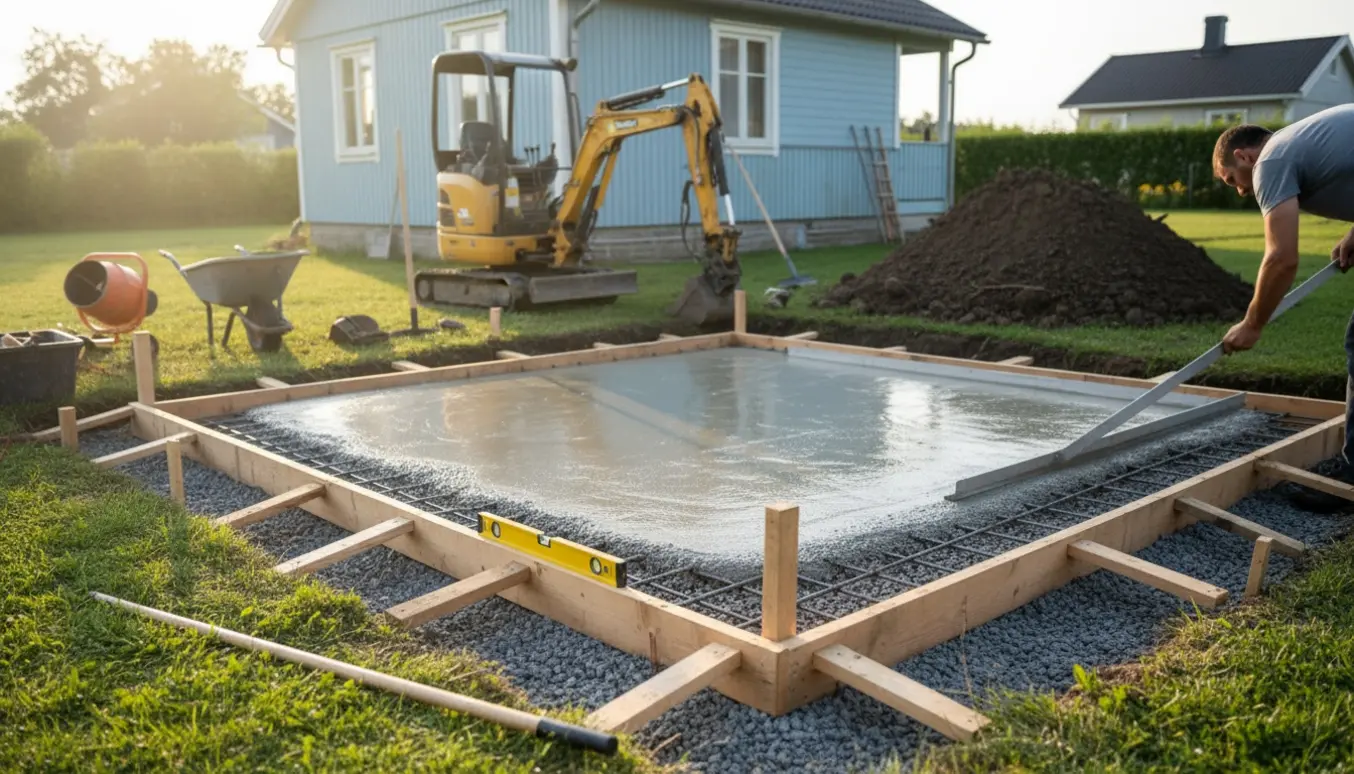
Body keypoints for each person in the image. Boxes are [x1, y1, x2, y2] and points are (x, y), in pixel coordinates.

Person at [1212, 103, 1354, 511]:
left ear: (1244, 156)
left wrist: (1253, 324)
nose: (1240, 190)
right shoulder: (1304, 140)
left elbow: (1281, 259)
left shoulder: (1271, 161)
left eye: (1231, 180)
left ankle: (1353, 475)